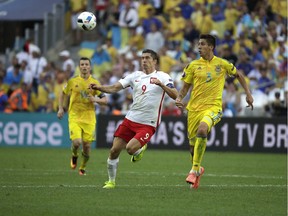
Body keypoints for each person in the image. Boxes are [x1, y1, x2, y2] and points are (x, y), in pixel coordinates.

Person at [89, 49, 178, 189]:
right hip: (130, 119)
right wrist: (99, 87)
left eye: (147, 58)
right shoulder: (135, 76)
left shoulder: (163, 76)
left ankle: (139, 149)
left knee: (130, 149)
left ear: (155, 61)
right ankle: (111, 181)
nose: (144, 60)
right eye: (142, 58)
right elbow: (114, 88)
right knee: (114, 150)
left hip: (148, 123)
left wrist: (160, 84)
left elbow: (175, 95)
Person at [175, 34, 254, 189]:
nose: (199, 47)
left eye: (202, 44)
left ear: (211, 47)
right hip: (194, 109)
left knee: (203, 130)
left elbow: (239, 75)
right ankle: (198, 170)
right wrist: (179, 98)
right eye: (198, 44)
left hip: (213, 107)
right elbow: (185, 88)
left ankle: (194, 170)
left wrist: (248, 94)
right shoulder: (192, 65)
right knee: (192, 148)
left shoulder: (222, 64)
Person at [57, 57, 108, 176]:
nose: (84, 66)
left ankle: (82, 167)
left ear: (90, 67)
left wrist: (95, 99)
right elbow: (62, 93)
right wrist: (60, 108)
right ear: (79, 67)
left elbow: (105, 100)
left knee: (87, 146)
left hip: (89, 118)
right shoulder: (73, 81)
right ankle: (74, 155)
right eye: (82, 64)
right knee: (77, 142)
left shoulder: (95, 83)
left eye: (86, 64)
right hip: (74, 116)